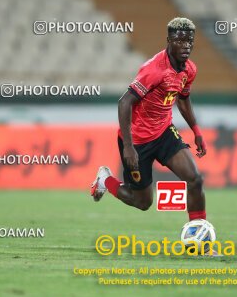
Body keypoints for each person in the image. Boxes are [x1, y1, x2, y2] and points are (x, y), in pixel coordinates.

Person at [90, 17, 210, 227]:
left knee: (195, 179)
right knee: (142, 201)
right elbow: (124, 103)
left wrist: (196, 130)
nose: (185, 46)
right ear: (168, 40)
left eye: (189, 41)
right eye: (180, 41)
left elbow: (182, 98)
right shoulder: (154, 70)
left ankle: (197, 239)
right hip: (137, 140)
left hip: (164, 132)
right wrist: (128, 146)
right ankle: (105, 180)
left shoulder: (189, 69)